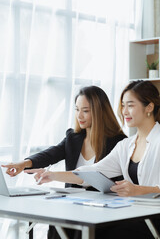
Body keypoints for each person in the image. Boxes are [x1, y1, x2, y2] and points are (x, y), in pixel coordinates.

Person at [25, 80, 160, 239]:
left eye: (130, 105)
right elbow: (92, 172)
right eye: (122, 105)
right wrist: (52, 175)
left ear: (149, 107)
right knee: (75, 227)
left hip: (152, 217)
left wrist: (140, 190)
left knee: (97, 231)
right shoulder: (126, 146)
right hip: (133, 213)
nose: (124, 111)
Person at [2, 85, 126, 239]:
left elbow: (98, 177)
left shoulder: (119, 142)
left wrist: (52, 175)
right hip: (73, 205)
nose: (79, 115)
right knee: (57, 219)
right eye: (77, 109)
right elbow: (51, 154)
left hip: (102, 209)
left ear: (100, 112)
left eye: (85, 111)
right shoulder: (73, 137)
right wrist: (23, 163)